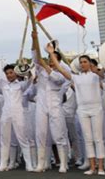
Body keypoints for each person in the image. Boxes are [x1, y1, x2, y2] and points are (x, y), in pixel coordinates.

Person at [47, 45, 105, 175]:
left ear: (90, 63)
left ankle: (101, 167)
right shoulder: (76, 78)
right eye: (81, 62)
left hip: (96, 109)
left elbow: (104, 72)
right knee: (88, 138)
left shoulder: (96, 76)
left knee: (98, 138)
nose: (83, 64)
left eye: (85, 62)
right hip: (83, 110)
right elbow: (60, 69)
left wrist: (99, 67)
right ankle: (92, 167)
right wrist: (52, 54)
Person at [31, 35, 69, 173]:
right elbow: (35, 57)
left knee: (58, 134)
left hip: (55, 105)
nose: (50, 63)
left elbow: (57, 80)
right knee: (40, 133)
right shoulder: (40, 70)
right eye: (49, 61)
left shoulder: (62, 73)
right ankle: (41, 163)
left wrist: (47, 65)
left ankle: (63, 163)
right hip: (41, 104)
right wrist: (34, 39)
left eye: (53, 61)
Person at [0, 59, 34, 172]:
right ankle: (3, 164)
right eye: (7, 73)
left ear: (15, 73)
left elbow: (30, 79)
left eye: (11, 73)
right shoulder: (3, 84)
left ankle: (29, 165)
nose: (9, 75)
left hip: (18, 113)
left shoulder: (21, 85)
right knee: (4, 139)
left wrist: (25, 67)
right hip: (6, 114)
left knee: (22, 138)